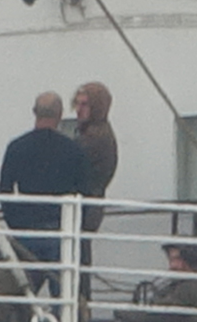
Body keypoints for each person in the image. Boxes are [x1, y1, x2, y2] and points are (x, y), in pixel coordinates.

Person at [0, 91, 92, 291]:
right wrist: (73, 227)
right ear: (59, 115)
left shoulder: (16, 148)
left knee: (21, 298)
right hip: (60, 233)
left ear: (34, 112)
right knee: (63, 301)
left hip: (26, 232)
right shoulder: (73, 151)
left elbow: (4, 191)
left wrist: (16, 224)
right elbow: (85, 194)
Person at [73, 81, 118, 299]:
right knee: (79, 264)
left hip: (84, 210)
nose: (78, 110)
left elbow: (73, 165)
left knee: (77, 265)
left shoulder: (95, 138)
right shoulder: (97, 134)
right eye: (78, 104)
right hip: (89, 209)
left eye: (85, 105)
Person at [116, 243, 197, 322]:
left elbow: (159, 315)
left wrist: (122, 313)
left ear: (191, 259)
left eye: (177, 259)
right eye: (171, 260)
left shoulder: (191, 287)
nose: (172, 265)